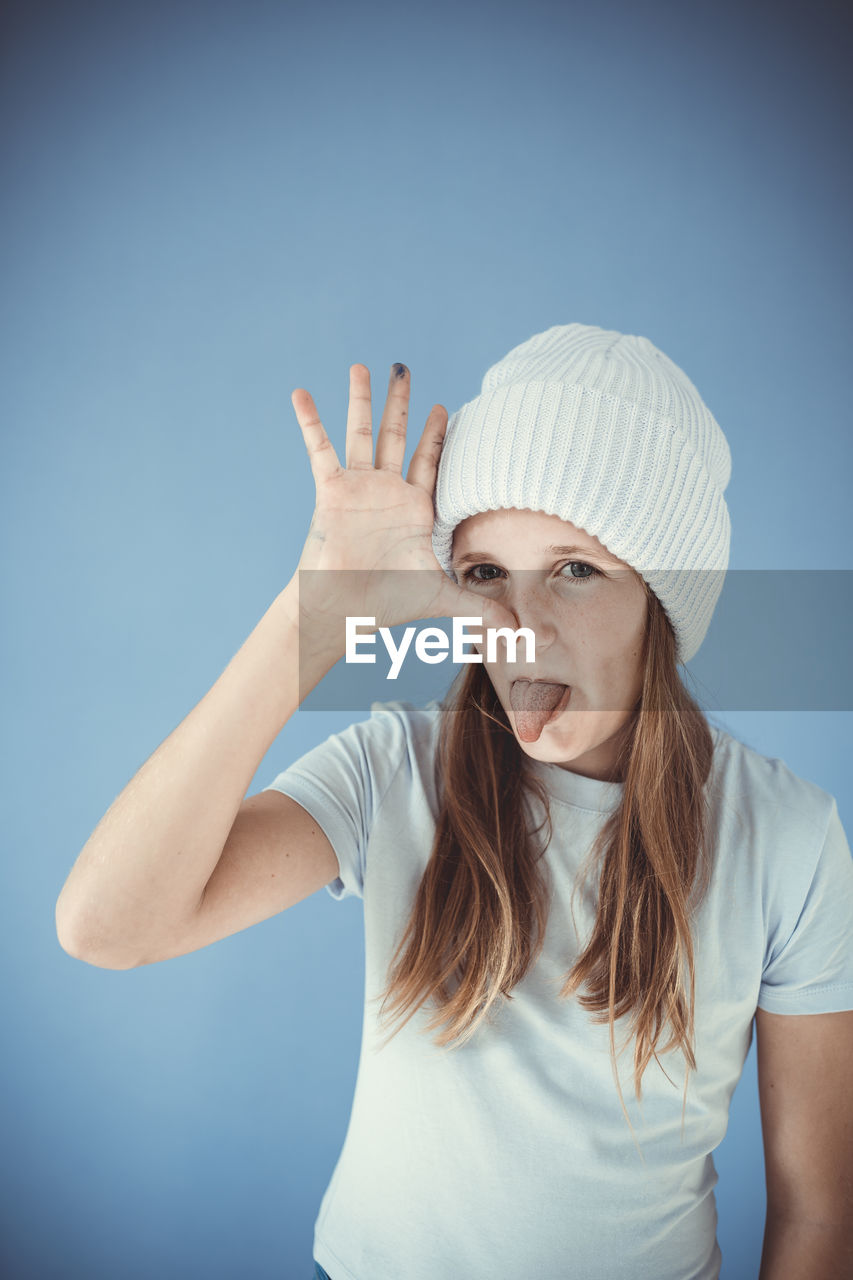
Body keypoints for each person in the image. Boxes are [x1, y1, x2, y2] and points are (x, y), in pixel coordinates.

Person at [56, 324, 853, 1280]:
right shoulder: (396, 768)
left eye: (574, 569)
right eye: (483, 575)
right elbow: (107, 928)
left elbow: (816, 1211)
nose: (517, 626)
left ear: (663, 600)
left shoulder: (788, 837)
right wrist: (315, 613)